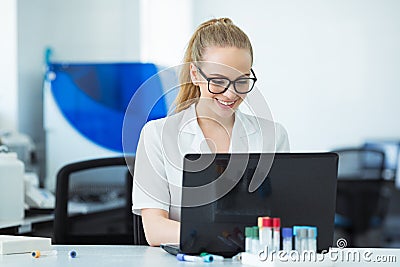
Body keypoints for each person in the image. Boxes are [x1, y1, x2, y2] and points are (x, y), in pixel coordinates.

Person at [132, 18, 290, 246]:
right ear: (195, 75)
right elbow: (155, 230)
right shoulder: (157, 134)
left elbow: (283, 218)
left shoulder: (273, 135)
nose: (230, 94)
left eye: (242, 81)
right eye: (218, 81)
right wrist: (224, 234)